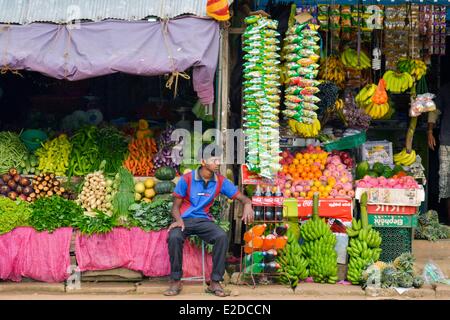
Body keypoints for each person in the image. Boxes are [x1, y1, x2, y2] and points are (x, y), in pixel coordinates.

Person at [164, 145, 254, 297]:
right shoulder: (186, 179)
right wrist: (178, 220)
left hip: (204, 221)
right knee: (174, 237)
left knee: (221, 237)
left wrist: (248, 204)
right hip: (185, 220)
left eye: (219, 159)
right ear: (203, 161)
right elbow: (175, 208)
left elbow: (241, 197)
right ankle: (175, 280)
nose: (218, 163)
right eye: (214, 160)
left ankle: (215, 282)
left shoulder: (220, 181)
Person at [428, 81, 450, 224]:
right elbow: (434, 110)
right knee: (446, 184)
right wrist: (430, 131)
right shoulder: (446, 90)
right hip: (447, 143)